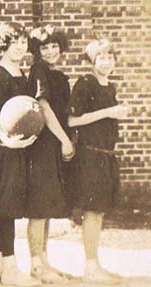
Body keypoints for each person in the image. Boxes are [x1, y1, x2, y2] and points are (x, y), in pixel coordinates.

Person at [68, 38, 129, 284]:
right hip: (90, 156)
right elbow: (72, 120)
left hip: (105, 155)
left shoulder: (109, 86)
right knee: (92, 212)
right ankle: (90, 268)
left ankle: (94, 264)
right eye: (101, 58)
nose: (106, 62)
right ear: (91, 61)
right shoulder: (85, 84)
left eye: (110, 57)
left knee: (99, 211)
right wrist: (108, 112)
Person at [0, 22, 39, 286]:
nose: (20, 47)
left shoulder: (21, 72)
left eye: (23, 42)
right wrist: (4, 138)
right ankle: (9, 267)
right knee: (4, 206)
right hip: (4, 149)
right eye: (15, 41)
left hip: (19, 147)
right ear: (3, 44)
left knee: (5, 206)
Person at [25, 24, 75, 283]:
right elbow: (43, 106)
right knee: (38, 206)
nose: (51, 50)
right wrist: (64, 139)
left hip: (52, 145)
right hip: (42, 145)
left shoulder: (56, 74)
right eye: (45, 46)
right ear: (37, 49)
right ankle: (35, 263)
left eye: (55, 45)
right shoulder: (39, 70)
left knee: (45, 206)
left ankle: (43, 260)